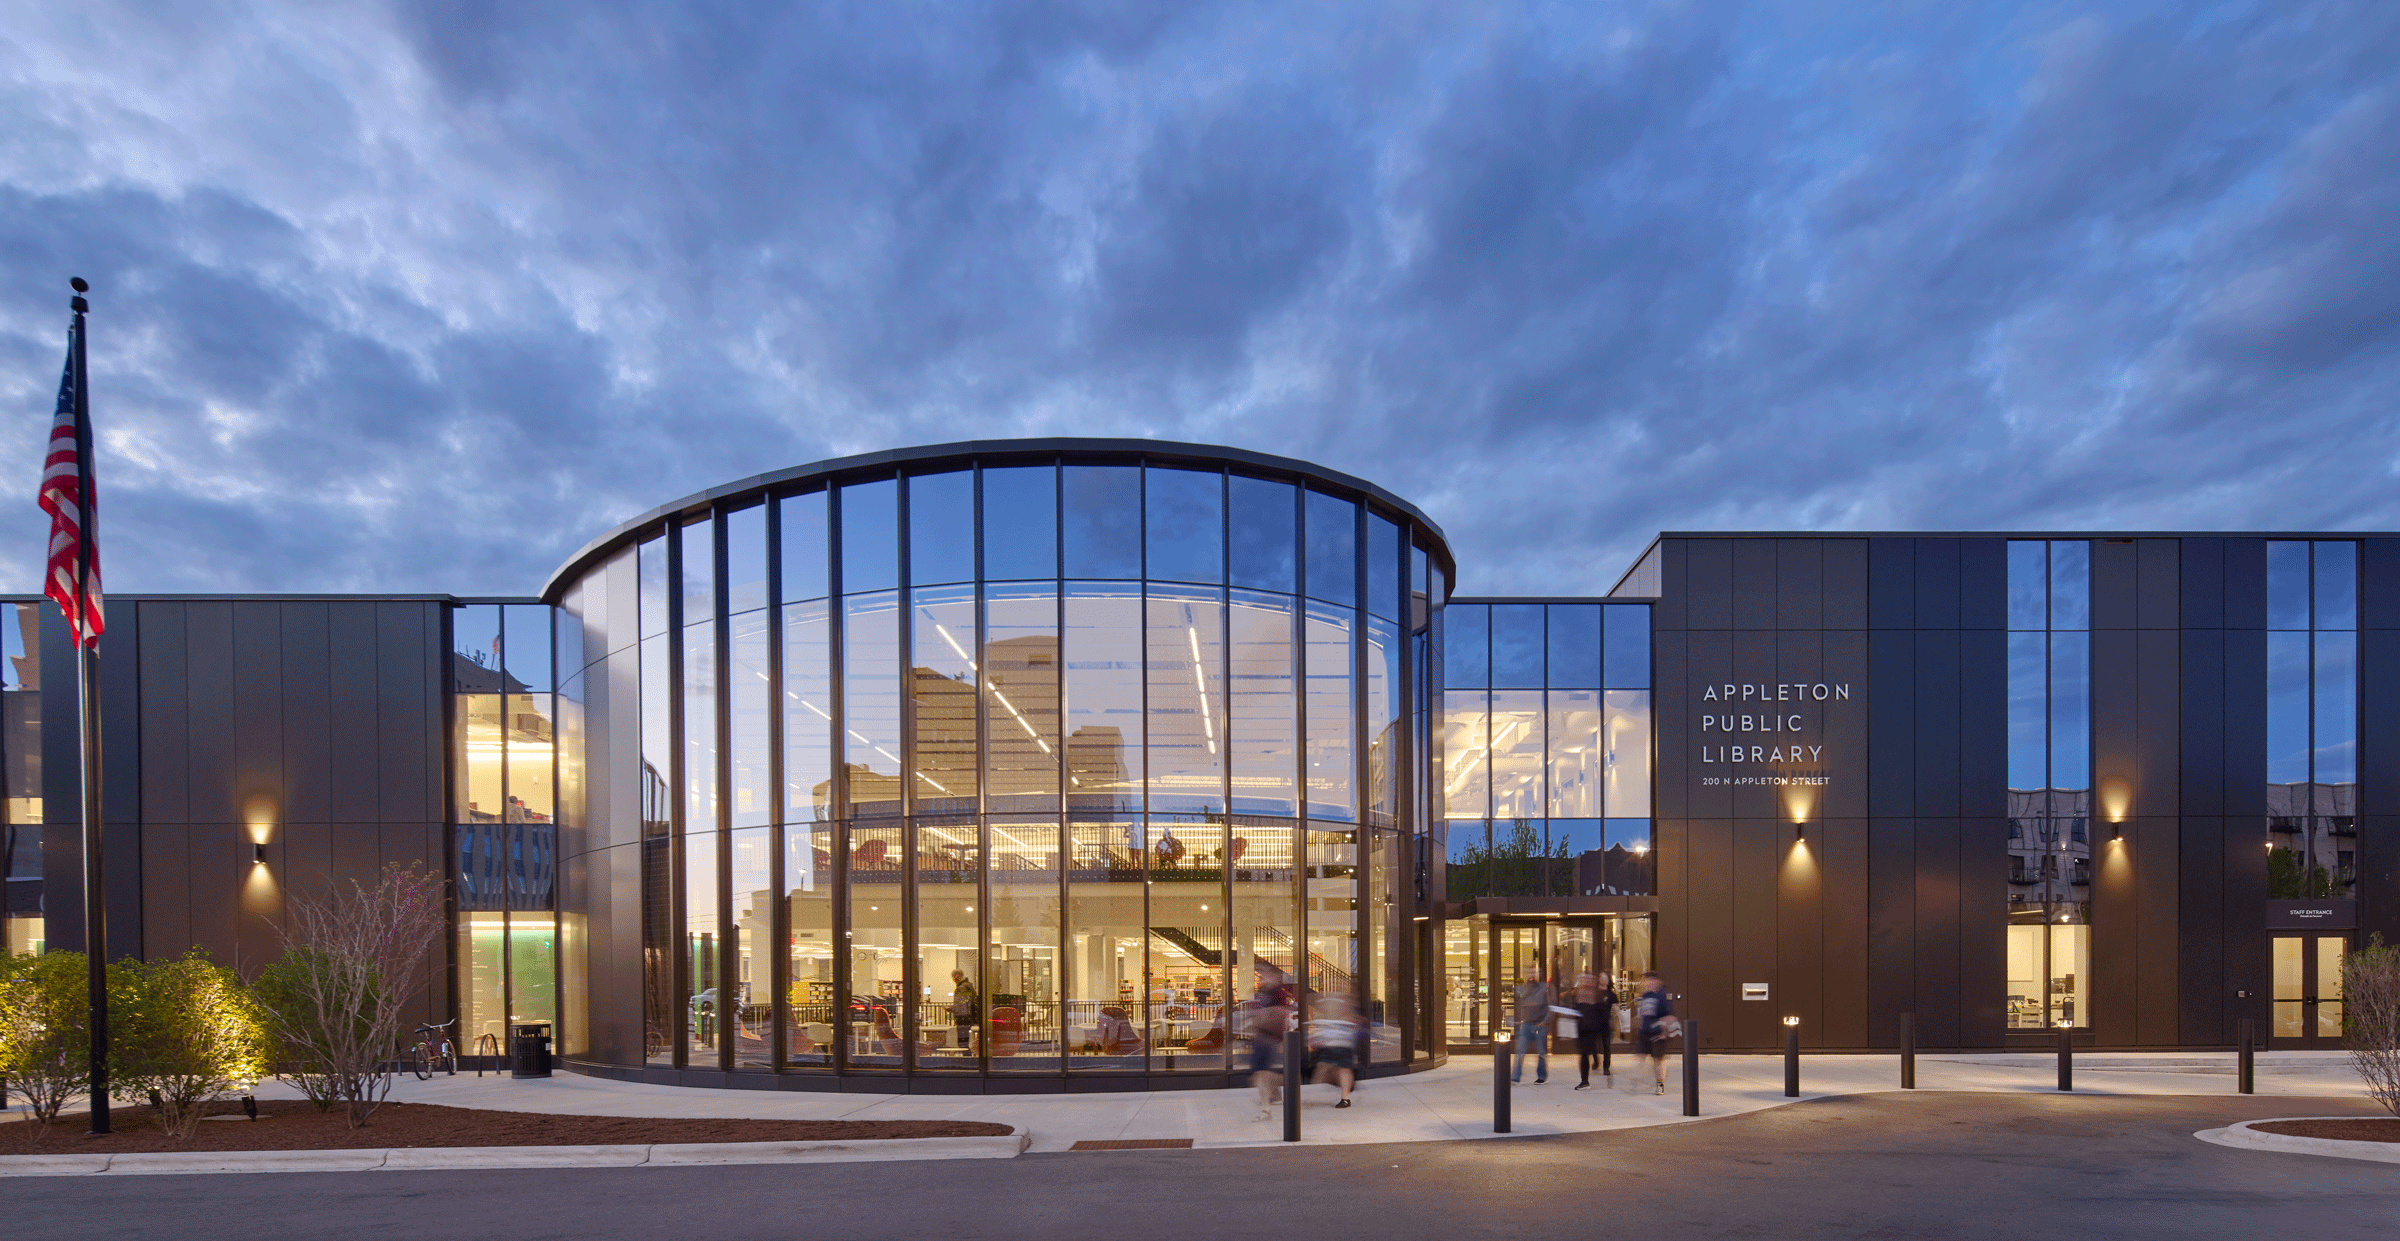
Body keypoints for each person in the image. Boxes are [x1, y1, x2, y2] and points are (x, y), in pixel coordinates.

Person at [1249, 961, 1294, 1120]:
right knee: (1259, 1074)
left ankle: (1266, 1109)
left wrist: (1263, 1018)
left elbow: (1281, 1014)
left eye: (1264, 974)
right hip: (1261, 1036)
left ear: (1274, 976)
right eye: (1260, 974)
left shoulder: (1278, 993)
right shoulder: (1262, 992)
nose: (1261, 977)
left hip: (1270, 1037)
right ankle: (1276, 1094)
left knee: (1261, 1075)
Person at [1307, 984, 1360, 1109]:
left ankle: (1344, 1098)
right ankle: (1342, 1097)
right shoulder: (1337, 1001)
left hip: (1340, 1042)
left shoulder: (1341, 1002)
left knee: (1338, 1069)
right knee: (1326, 1068)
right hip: (1336, 1042)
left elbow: (1352, 1020)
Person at [1569, 973, 1618, 1090]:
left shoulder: (1598, 995)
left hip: (1592, 1029)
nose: (1585, 982)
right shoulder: (1578, 993)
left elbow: (1604, 1014)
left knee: (1586, 1054)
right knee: (1584, 1054)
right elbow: (1575, 1010)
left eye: (1588, 980)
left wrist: (1602, 1026)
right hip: (1582, 1029)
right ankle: (1585, 1080)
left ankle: (1586, 1080)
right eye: (1583, 980)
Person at [1636, 971, 1678, 1095]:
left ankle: (1660, 1084)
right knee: (1641, 1056)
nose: (1647, 983)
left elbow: (1670, 1016)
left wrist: (1664, 1032)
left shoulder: (1662, 995)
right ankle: (1637, 1081)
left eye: (1649, 981)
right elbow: (1643, 1014)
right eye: (1645, 981)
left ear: (1657, 982)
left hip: (1658, 1032)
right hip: (1645, 1031)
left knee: (1657, 1060)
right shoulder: (1645, 996)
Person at [1511, 971, 1553, 1084]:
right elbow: (1521, 1002)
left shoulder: (1543, 988)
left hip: (1539, 1025)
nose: (1531, 976)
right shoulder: (1525, 988)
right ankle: (1515, 1077)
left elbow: (1550, 1006)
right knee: (1520, 1051)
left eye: (1533, 973)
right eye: (1529, 973)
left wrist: (1544, 1022)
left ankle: (1542, 1076)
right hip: (1526, 1024)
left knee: (1541, 1052)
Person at [946, 969, 979, 1052]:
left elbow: (961, 1005)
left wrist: (950, 1008)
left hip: (963, 1018)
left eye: (953, 978)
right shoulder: (969, 986)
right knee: (966, 1040)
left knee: (962, 1042)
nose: (953, 980)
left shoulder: (961, 988)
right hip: (970, 1017)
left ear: (957, 976)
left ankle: (965, 1061)